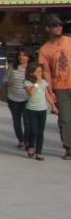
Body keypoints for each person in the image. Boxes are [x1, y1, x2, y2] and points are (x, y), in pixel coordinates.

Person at [38, 14, 71, 160]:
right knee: (65, 119)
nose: (59, 28)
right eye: (55, 25)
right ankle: (69, 148)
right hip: (60, 87)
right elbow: (46, 72)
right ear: (48, 28)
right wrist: (49, 90)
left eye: (60, 25)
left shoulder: (70, 41)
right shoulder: (45, 49)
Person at [3, 48, 32, 150]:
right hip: (13, 98)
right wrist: (8, 81)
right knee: (16, 120)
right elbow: (5, 79)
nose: (21, 57)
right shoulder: (12, 66)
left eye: (24, 55)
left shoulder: (31, 67)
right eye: (20, 55)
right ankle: (21, 140)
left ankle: (27, 140)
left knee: (27, 121)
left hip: (27, 98)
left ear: (28, 57)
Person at [23, 61, 50, 161]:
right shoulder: (28, 82)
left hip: (42, 109)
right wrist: (37, 83)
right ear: (31, 73)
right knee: (34, 131)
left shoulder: (43, 82)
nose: (40, 74)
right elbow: (31, 92)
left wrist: (53, 105)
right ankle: (31, 146)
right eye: (38, 72)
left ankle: (39, 152)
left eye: (41, 72)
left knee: (40, 132)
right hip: (32, 110)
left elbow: (47, 94)